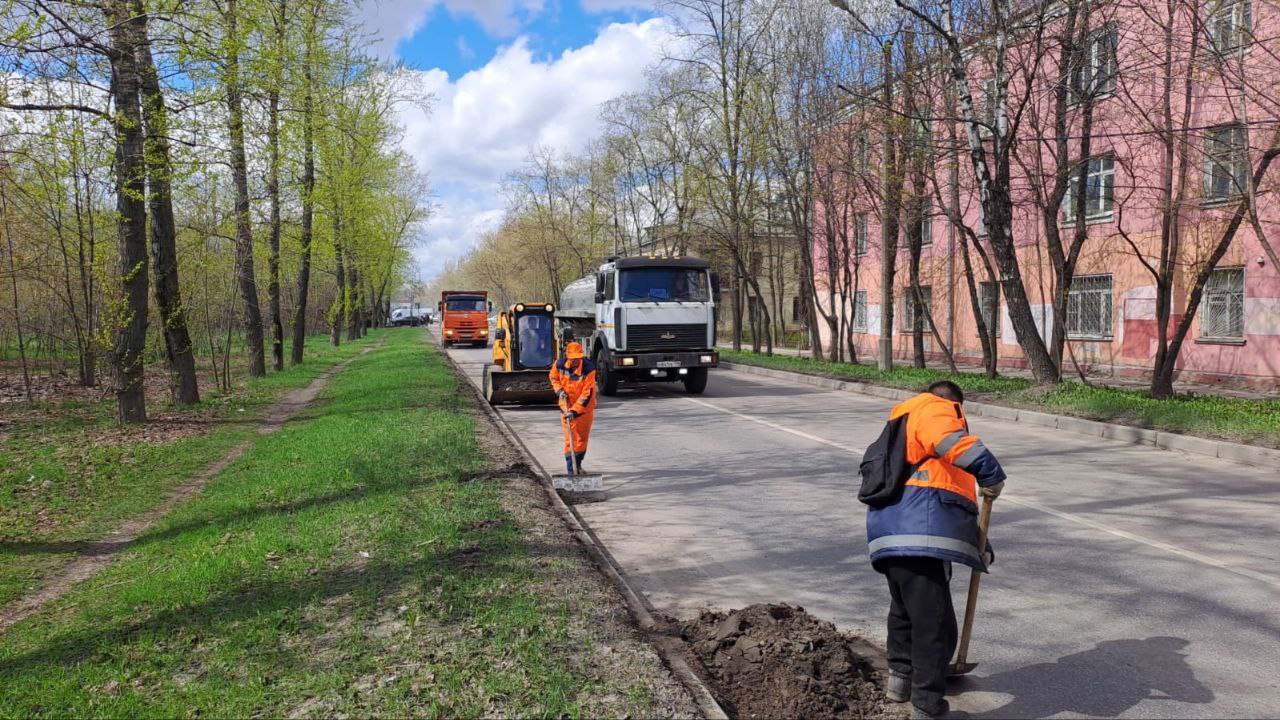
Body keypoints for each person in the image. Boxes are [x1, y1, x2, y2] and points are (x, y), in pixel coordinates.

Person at [867, 380, 1006, 720]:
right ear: (954, 403)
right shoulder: (933, 408)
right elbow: (953, 443)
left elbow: (936, 493)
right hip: (919, 538)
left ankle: (900, 682)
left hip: (893, 534)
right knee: (933, 624)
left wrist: (977, 540)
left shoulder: (903, 429)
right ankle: (928, 707)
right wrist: (991, 473)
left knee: (904, 612)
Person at [549, 341, 597, 474]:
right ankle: (571, 471)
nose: (575, 361)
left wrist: (574, 411)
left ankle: (578, 464)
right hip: (565, 407)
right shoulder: (559, 365)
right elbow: (553, 378)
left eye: (577, 358)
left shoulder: (588, 369)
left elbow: (587, 394)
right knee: (569, 440)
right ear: (567, 356)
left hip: (584, 410)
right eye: (572, 358)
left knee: (581, 439)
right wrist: (559, 391)